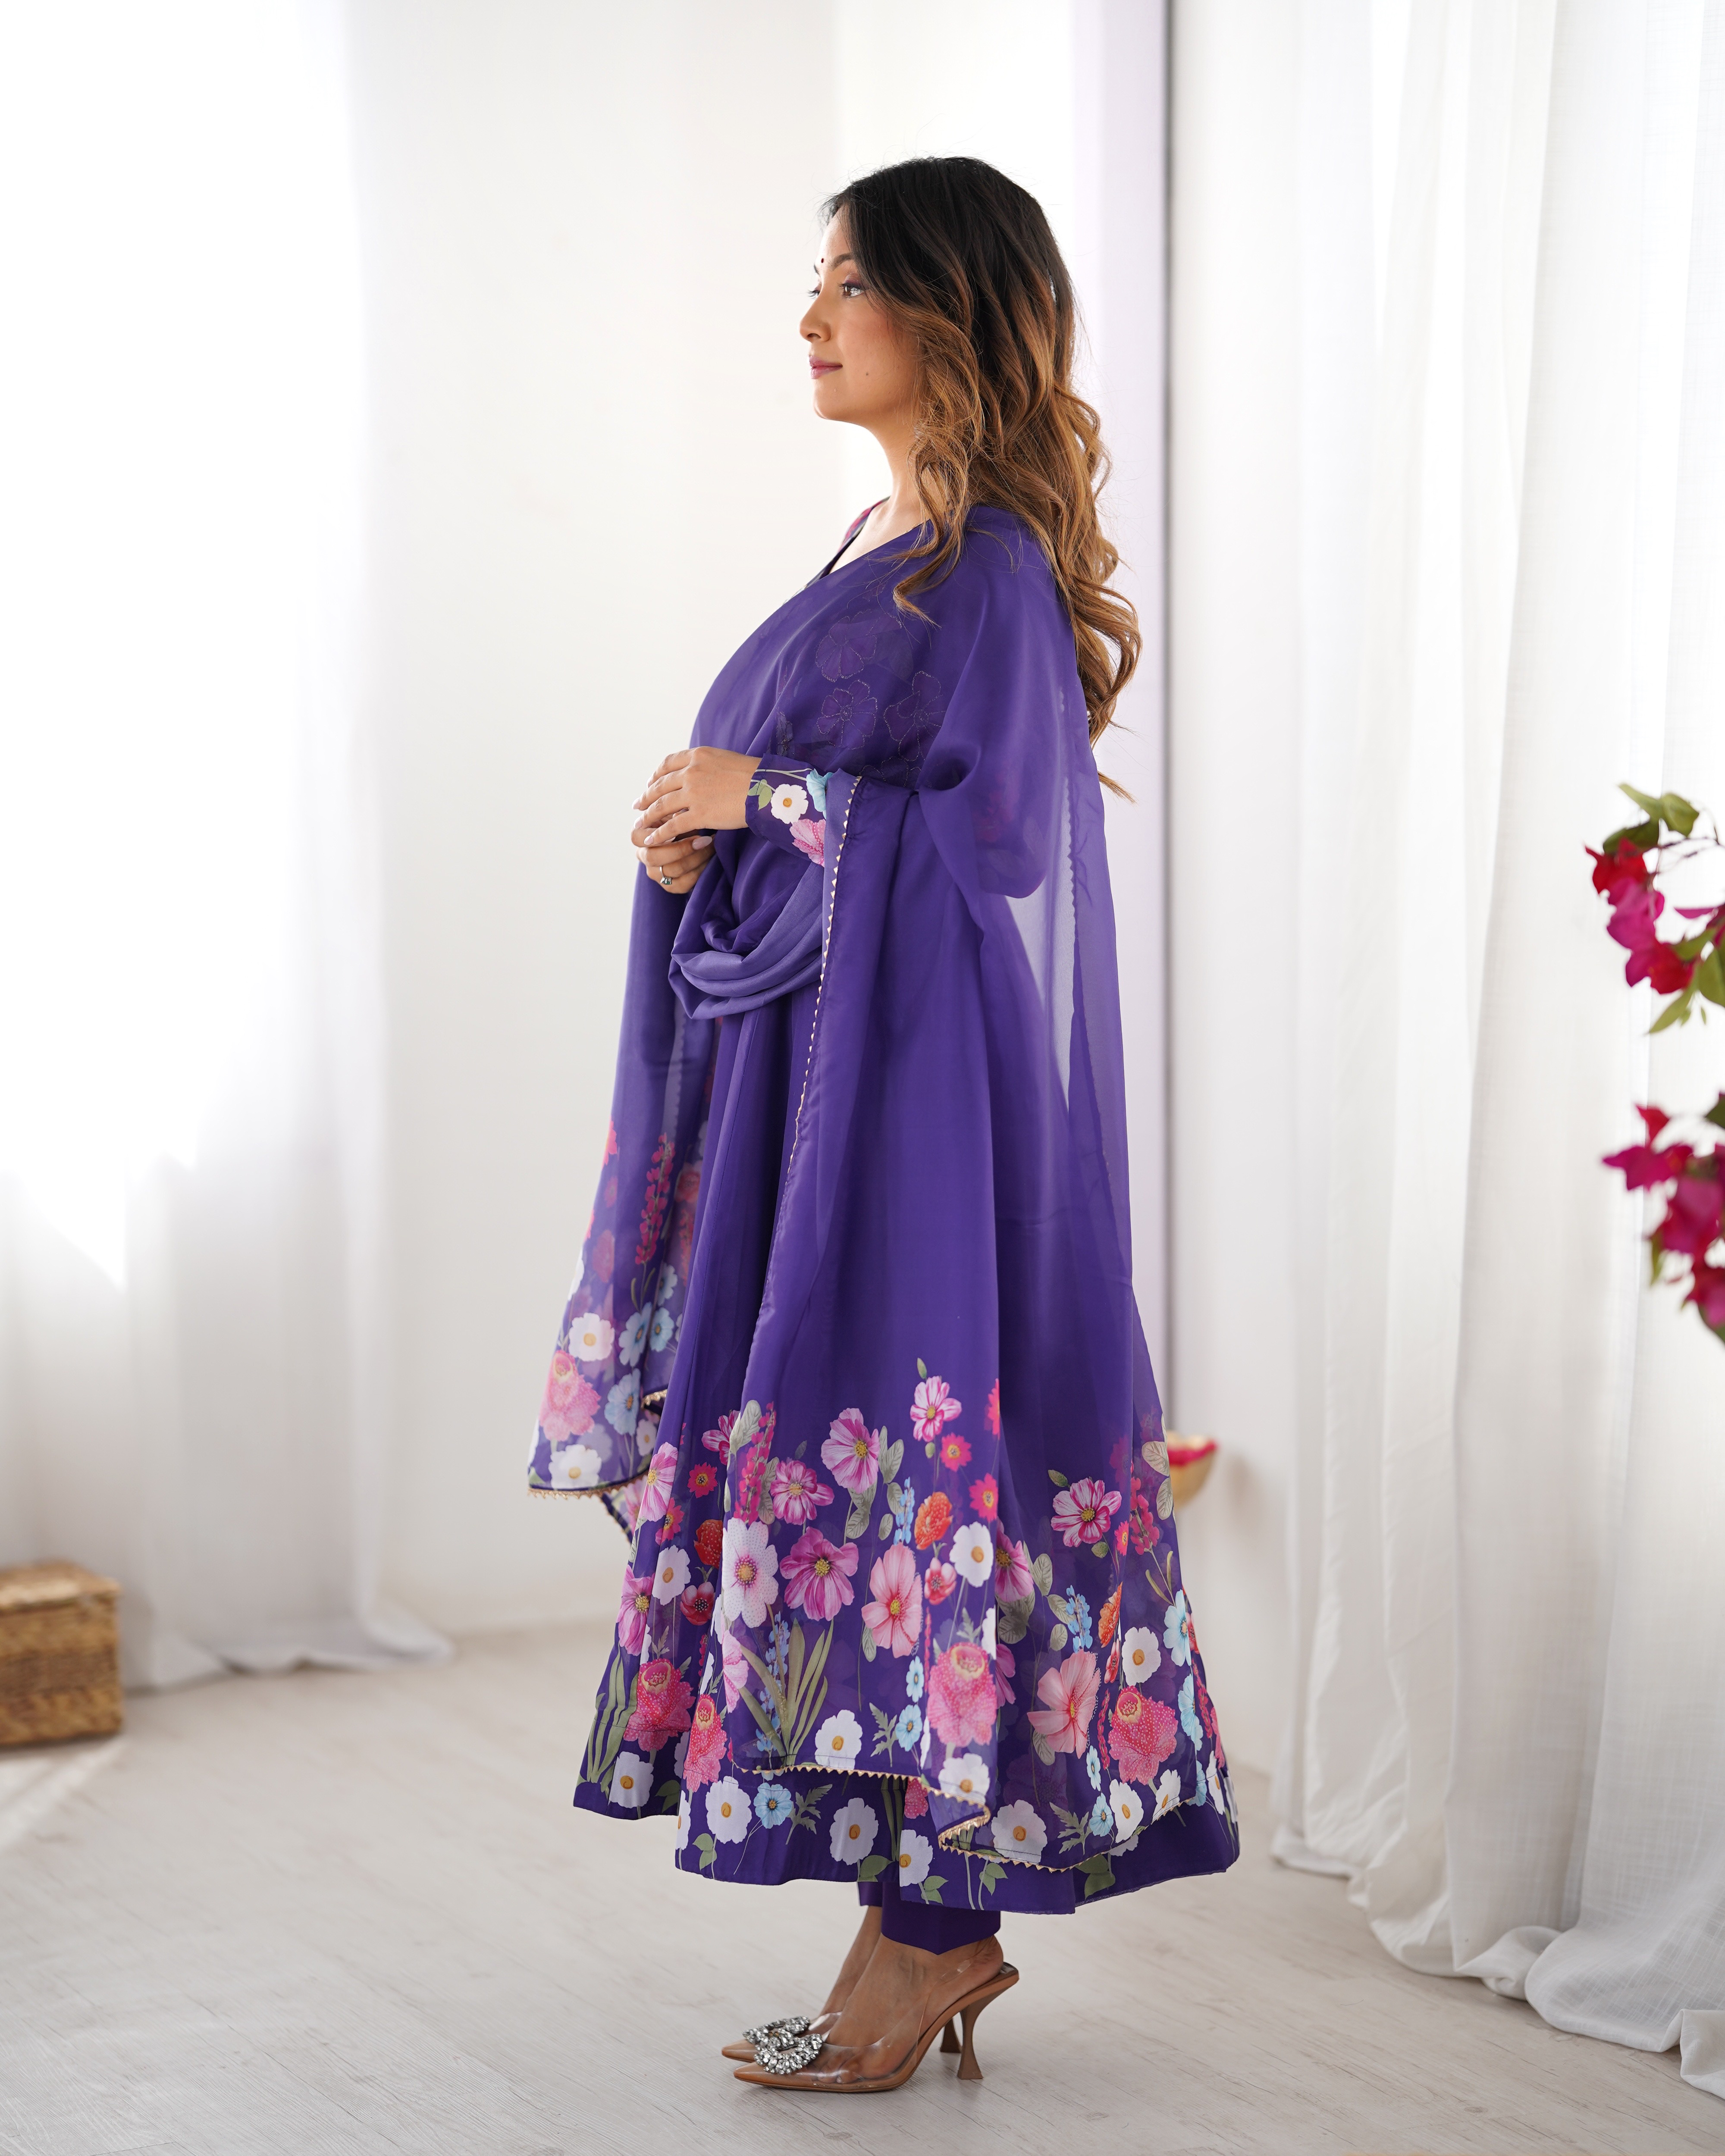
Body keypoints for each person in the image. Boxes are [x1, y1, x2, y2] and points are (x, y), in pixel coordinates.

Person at [530, 155, 1237, 2095]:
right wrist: (700, 843)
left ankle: (926, 1938)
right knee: (851, 1464)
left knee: (923, 1461)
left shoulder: (983, 562)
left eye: (845, 280)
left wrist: (758, 798)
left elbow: (995, 839)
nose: (810, 315)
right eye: (817, 279)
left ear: (947, 305)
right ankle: (922, 1923)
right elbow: (835, 811)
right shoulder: (877, 539)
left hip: (920, 1094)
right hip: (825, 1073)